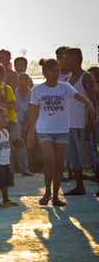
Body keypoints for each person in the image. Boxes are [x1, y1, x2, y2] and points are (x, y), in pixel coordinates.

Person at [26, 58, 95, 207]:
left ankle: (56, 196)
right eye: (52, 71)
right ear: (45, 72)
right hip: (44, 130)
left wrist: (89, 103)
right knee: (49, 161)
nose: (56, 73)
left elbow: (78, 96)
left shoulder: (65, 87)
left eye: (58, 70)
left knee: (58, 164)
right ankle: (47, 193)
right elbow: (33, 113)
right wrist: (31, 132)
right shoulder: (37, 90)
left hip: (62, 130)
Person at [60, 48, 96, 196]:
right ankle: (79, 186)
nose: (64, 61)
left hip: (83, 123)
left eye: (67, 58)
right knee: (74, 158)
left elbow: (93, 101)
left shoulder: (86, 77)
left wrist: (91, 122)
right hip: (70, 124)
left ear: (76, 60)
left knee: (91, 157)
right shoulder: (68, 78)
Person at [13, 71, 33, 176]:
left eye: (24, 81)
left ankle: (27, 167)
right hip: (16, 122)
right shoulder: (14, 92)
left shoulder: (31, 93)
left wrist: (27, 125)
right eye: (20, 81)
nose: (22, 83)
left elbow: (31, 111)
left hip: (30, 121)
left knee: (27, 144)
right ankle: (21, 168)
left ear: (28, 82)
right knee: (19, 143)